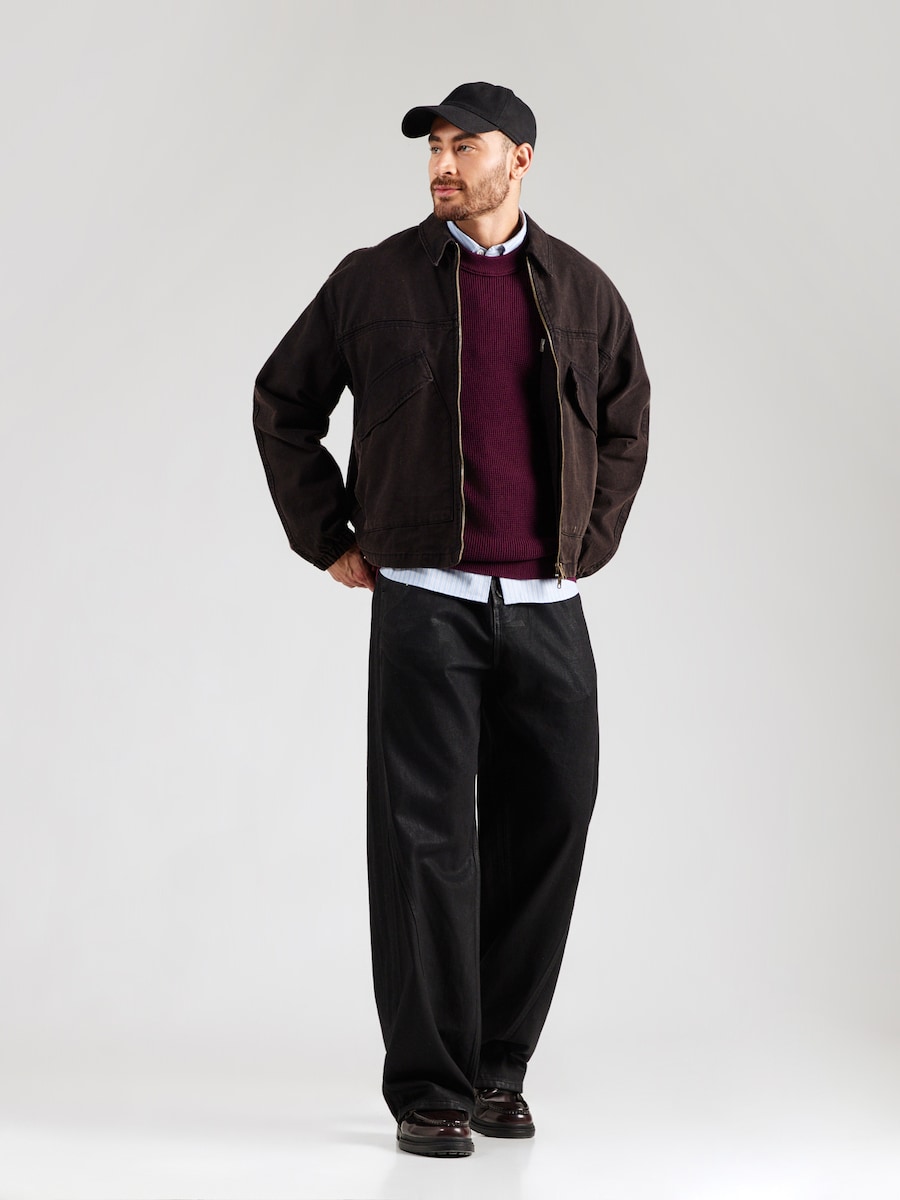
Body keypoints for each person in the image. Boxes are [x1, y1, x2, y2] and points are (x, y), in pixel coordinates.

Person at [252, 81, 650, 1158]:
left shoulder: (583, 291)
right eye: (433, 146)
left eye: (463, 145)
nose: (441, 164)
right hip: (426, 601)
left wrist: (589, 540)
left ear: (520, 158)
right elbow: (283, 403)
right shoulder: (374, 281)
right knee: (427, 845)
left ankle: (495, 1071)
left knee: (553, 822)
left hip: (547, 608)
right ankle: (429, 1087)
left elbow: (626, 420)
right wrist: (327, 534)